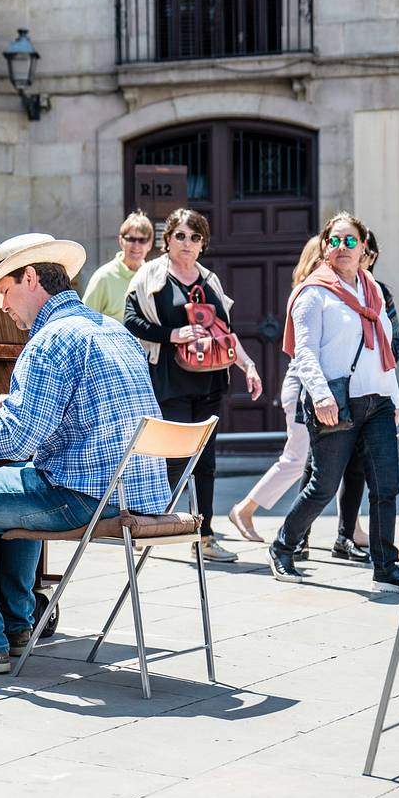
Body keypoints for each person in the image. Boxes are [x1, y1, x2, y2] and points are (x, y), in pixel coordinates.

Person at [0, 233, 170, 673]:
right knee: (23, 470)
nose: (5, 308)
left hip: (84, 498)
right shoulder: (112, 331)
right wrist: (8, 402)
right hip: (136, 495)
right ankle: (17, 624)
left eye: (6, 291)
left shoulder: (50, 339)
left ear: (30, 278)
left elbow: (15, 440)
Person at [267, 213, 399, 592]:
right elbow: (304, 354)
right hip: (337, 403)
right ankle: (283, 544)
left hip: (376, 402)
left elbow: (385, 351)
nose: (342, 248)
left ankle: (386, 565)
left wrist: (394, 398)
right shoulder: (314, 293)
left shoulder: (373, 292)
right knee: (323, 486)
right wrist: (322, 395)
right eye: (335, 241)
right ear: (325, 248)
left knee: (386, 486)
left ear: (364, 248)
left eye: (350, 241)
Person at [123, 208, 262, 563]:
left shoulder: (210, 281)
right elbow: (131, 321)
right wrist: (173, 334)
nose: (187, 243)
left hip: (211, 381)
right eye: (180, 236)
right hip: (170, 381)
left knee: (206, 461)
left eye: (195, 237)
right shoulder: (149, 277)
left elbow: (226, 334)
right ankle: (151, 525)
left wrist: (248, 365)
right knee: (172, 457)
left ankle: (205, 535)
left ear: (203, 244)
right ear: (167, 240)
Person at [228, 236, 371, 561]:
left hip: (315, 388)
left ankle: (345, 529)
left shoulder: (343, 289)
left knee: (327, 461)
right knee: (297, 458)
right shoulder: (313, 292)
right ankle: (246, 509)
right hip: (305, 388)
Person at [83, 210, 153, 323]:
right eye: (131, 239)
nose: (136, 246)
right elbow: (85, 319)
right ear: (121, 241)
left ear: (149, 244)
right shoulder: (103, 277)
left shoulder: (153, 277)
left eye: (142, 240)